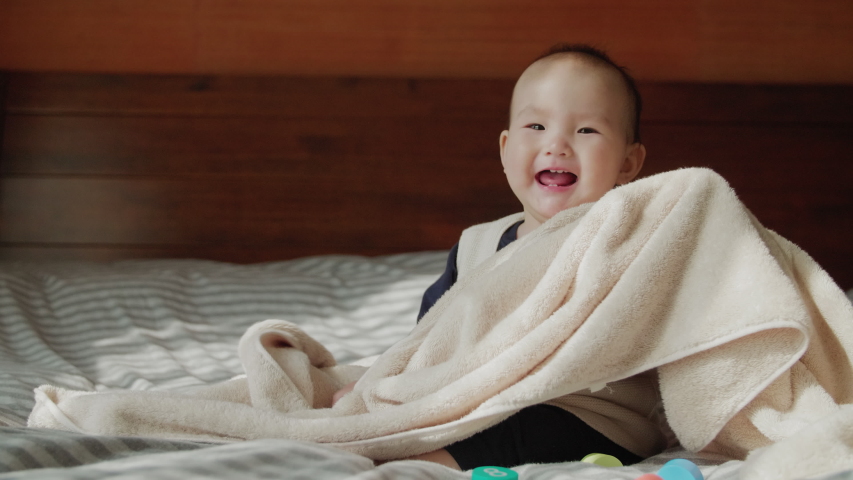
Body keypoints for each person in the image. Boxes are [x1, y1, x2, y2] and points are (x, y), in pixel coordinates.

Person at [333, 43, 666, 470]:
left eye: (586, 131)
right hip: (481, 400)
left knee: (522, 429)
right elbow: (431, 337)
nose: (557, 144)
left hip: (595, 416)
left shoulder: (628, 241)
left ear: (628, 162)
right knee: (423, 409)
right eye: (536, 125)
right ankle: (394, 434)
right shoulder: (477, 246)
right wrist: (385, 382)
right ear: (506, 149)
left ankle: (425, 463)